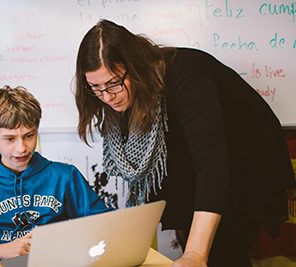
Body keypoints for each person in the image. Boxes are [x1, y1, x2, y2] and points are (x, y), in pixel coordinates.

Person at [74, 19, 294, 267]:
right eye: (96, 87)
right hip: (196, 171)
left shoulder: (187, 76)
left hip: (247, 165)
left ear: (134, 66)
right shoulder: (119, 93)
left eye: (113, 83)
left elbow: (212, 168)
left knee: (221, 254)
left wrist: (196, 255)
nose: (107, 97)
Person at [0, 85, 112, 267]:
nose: (21, 148)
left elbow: (105, 228)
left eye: (29, 136)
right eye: (10, 139)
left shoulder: (65, 177)